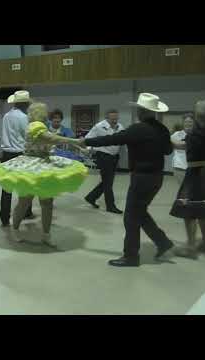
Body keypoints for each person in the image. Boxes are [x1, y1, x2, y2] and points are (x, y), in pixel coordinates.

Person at [78, 93, 174, 267]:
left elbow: (113, 139)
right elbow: (168, 151)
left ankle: (131, 256)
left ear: (142, 111)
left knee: (131, 217)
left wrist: (86, 141)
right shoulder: (162, 129)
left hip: (142, 178)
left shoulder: (138, 129)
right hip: (156, 178)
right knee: (140, 212)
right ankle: (162, 242)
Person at [0, 102, 88, 247]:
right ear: (40, 113)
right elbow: (50, 139)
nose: (47, 114)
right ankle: (15, 229)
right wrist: (76, 141)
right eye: (45, 111)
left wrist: (76, 145)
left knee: (47, 203)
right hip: (31, 166)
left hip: (44, 164)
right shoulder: (35, 126)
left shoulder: (41, 126)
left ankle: (46, 235)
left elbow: (52, 139)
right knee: (24, 201)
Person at [170, 100, 205, 259]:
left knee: (188, 208)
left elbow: (185, 146)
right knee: (204, 208)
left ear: (200, 115)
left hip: (199, 171)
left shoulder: (197, 132)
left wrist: (168, 141)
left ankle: (190, 247)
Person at [0, 90, 34, 226]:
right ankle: (26, 212)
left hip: (6, 154)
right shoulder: (24, 118)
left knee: (7, 188)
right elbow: (28, 137)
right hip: (20, 154)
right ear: (24, 104)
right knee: (25, 185)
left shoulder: (6, 116)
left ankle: (4, 217)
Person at [84, 109, 124, 214]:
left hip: (114, 156)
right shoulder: (99, 126)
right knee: (108, 183)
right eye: (112, 118)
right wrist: (89, 151)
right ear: (107, 118)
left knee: (107, 181)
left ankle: (91, 197)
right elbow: (87, 138)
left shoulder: (120, 127)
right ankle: (110, 206)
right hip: (103, 156)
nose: (115, 120)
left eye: (116, 118)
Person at [170, 113, 194, 185]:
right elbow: (167, 141)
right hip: (179, 166)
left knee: (193, 189)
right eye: (186, 122)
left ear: (194, 123)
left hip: (193, 167)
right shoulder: (177, 134)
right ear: (183, 123)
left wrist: (177, 144)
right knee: (183, 189)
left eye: (190, 122)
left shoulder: (197, 134)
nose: (188, 124)